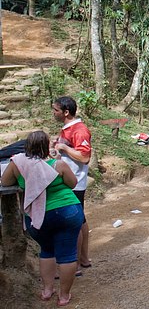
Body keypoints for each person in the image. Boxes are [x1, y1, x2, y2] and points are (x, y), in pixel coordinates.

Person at [1, 131, 84, 307]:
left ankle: (47, 290)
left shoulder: (18, 164)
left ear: (27, 146)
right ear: (47, 146)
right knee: (67, 254)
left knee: (47, 250)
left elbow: (5, 182)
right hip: (67, 211)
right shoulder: (58, 165)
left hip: (39, 216)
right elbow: (73, 184)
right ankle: (64, 295)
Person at [51, 96, 93, 272]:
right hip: (70, 181)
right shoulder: (68, 128)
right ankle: (83, 258)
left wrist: (64, 148)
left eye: (56, 110)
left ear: (66, 112)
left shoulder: (80, 130)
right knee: (80, 219)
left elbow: (85, 157)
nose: (53, 113)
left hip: (73, 183)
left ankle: (73, 263)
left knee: (73, 223)